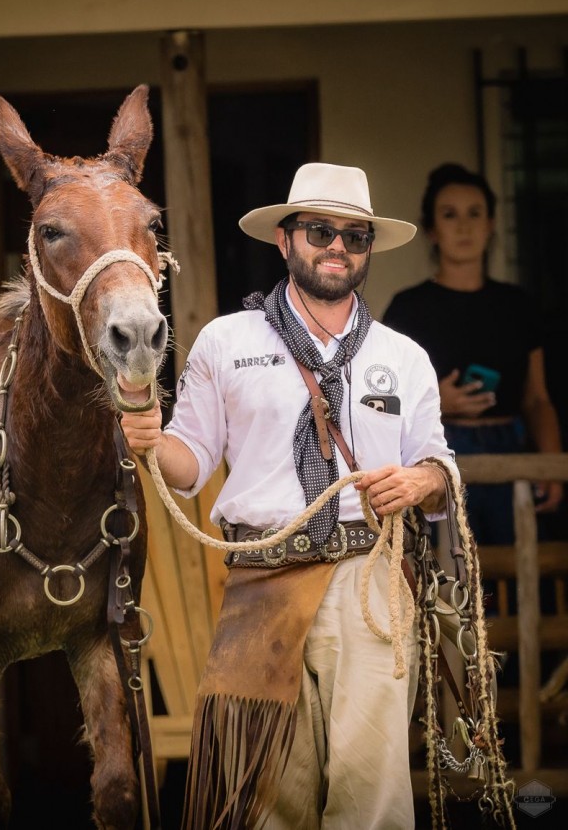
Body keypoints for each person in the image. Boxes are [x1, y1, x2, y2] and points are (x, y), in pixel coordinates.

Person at [121, 163, 461, 830]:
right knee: (263, 790)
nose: (337, 246)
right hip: (261, 579)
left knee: (373, 787)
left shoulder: (405, 356)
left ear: (367, 250)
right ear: (285, 240)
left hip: (369, 580)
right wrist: (147, 437)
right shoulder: (225, 342)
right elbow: (189, 465)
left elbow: (439, 461)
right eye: (320, 230)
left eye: (354, 236)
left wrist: (424, 480)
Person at [383, 163, 563, 544]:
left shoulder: (518, 305)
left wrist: (552, 464)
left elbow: (536, 397)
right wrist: (439, 404)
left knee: (521, 574)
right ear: (431, 229)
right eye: (449, 215)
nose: (463, 226)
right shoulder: (408, 308)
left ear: (492, 223)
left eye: (474, 213)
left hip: (512, 450)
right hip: (437, 454)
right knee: (449, 578)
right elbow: (384, 404)